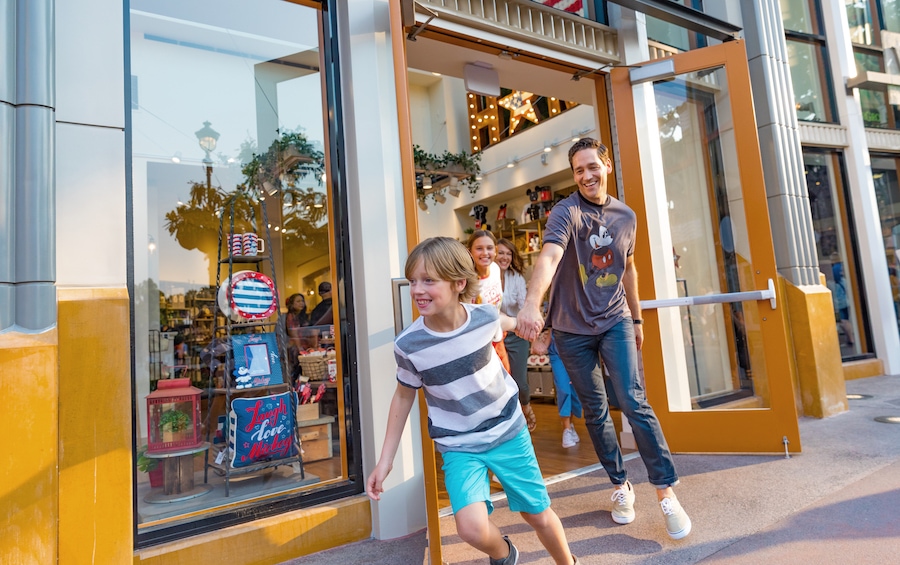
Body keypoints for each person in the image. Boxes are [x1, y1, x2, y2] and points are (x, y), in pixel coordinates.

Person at [515, 137, 692, 540]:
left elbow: (629, 269)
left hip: (615, 320)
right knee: (594, 411)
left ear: (606, 165)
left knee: (632, 400)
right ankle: (619, 486)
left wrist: (638, 318)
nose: (587, 175)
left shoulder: (626, 216)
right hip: (571, 329)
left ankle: (666, 492)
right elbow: (550, 256)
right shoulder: (566, 212)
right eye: (579, 170)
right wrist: (531, 304)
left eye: (592, 166)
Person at [366, 237, 577, 565]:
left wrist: (530, 324)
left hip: (508, 433)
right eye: (413, 281)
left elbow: (506, 324)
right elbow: (404, 396)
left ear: (458, 283)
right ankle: (505, 554)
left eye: (429, 280)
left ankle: (569, 563)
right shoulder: (409, 345)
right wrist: (385, 461)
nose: (418, 289)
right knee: (471, 528)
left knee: (538, 515)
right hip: (459, 445)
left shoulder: (483, 318)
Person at [496, 238, 537, 432]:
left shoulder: (517, 278)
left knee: (520, 380)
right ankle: (511, 423)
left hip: (516, 334)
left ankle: (526, 406)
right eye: (501, 252)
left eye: (508, 253)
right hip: (494, 336)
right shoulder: (485, 278)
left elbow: (522, 307)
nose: (504, 257)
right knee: (500, 382)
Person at [466, 230, 512, 375]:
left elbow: (496, 306)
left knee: (507, 381)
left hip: (497, 336)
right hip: (478, 343)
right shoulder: (467, 281)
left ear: (495, 250)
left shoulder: (495, 269)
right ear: (470, 252)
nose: (485, 253)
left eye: (490, 248)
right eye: (479, 248)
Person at [532, 329, 583, 449]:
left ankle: (570, 425)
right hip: (557, 350)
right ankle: (566, 429)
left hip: (576, 348)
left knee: (573, 391)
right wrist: (540, 343)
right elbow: (550, 325)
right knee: (563, 388)